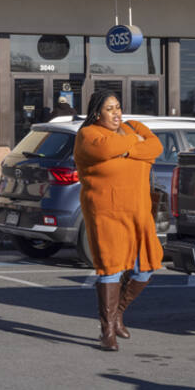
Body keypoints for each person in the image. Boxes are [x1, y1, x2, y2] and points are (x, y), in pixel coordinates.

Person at [73, 92, 163, 351]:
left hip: (138, 211)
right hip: (106, 212)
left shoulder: (133, 127)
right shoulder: (88, 134)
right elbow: (106, 149)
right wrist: (135, 146)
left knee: (147, 266)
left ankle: (118, 314)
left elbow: (155, 146)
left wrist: (128, 146)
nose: (116, 113)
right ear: (97, 113)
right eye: (109, 108)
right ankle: (107, 331)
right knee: (110, 269)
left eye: (118, 107)